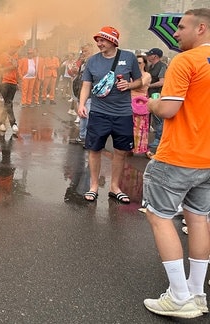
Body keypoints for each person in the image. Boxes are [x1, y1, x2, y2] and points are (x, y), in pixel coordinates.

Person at [142, 8, 210, 319]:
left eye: (182, 27)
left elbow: (168, 109)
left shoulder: (186, 60)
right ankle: (197, 293)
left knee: (159, 217)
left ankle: (179, 296)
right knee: (198, 220)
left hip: (178, 156)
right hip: (207, 159)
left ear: (202, 28)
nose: (177, 33)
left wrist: (151, 102)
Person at [77, 26, 142, 203]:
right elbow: (86, 85)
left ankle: (115, 187)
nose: (99, 43)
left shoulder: (128, 57)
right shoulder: (92, 61)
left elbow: (139, 80)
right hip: (98, 112)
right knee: (94, 149)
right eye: (97, 40)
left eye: (103, 40)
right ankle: (94, 186)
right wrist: (82, 104)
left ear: (113, 41)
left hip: (123, 113)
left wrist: (129, 86)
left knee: (120, 152)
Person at [144, 47, 168, 159]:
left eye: (150, 54)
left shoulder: (162, 66)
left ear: (155, 56)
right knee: (151, 118)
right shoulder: (150, 66)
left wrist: (149, 86)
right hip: (149, 93)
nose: (148, 56)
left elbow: (162, 82)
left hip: (157, 94)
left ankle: (159, 139)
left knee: (158, 118)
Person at [130, 55, 151, 155]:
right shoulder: (131, 74)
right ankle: (129, 148)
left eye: (139, 63)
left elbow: (140, 84)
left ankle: (144, 149)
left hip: (140, 104)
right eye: (135, 62)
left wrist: (129, 83)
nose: (137, 65)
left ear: (144, 64)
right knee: (129, 127)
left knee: (140, 128)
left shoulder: (146, 75)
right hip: (129, 102)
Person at [0, 45, 20, 133]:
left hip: (13, 83)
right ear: (10, 46)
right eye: (14, 47)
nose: (16, 49)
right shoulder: (2, 56)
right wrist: (11, 67)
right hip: (4, 82)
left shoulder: (16, 56)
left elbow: (17, 70)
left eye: (17, 48)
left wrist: (17, 82)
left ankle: (1, 123)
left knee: (7, 103)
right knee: (8, 102)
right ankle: (13, 123)